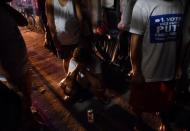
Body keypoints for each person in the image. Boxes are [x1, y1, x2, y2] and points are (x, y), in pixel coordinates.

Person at [128, 0, 184, 119]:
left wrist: (178, 65)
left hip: (169, 71)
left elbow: (180, 38)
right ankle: (138, 123)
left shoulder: (180, 4)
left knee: (165, 104)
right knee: (139, 106)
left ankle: (163, 121)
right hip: (147, 73)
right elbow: (134, 42)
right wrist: (136, 71)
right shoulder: (142, 4)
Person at [0, 1, 40, 130]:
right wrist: (5, 77)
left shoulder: (4, 9)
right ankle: (29, 123)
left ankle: (31, 120)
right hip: (11, 68)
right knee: (21, 101)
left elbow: (23, 22)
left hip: (21, 61)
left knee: (27, 96)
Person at [45, 0, 93, 74]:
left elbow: (50, 22)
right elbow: (80, 18)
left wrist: (55, 38)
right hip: (72, 36)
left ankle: (70, 79)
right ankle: (72, 80)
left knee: (68, 60)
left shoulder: (49, 1)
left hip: (63, 38)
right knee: (76, 61)